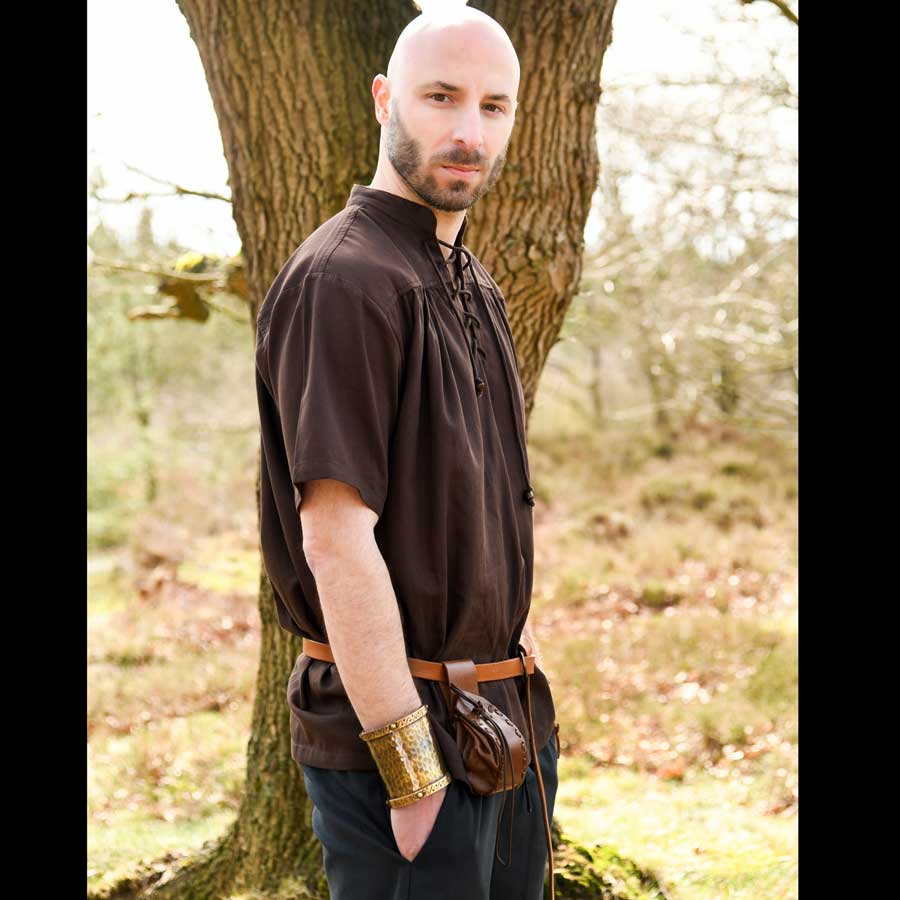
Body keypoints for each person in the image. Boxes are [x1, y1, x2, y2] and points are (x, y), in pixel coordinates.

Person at [254, 3, 560, 898]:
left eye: (494, 107)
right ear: (385, 99)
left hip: (503, 727)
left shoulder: (471, 283)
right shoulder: (344, 281)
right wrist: (413, 773)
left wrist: (525, 688)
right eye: (441, 97)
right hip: (408, 747)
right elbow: (334, 537)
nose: (470, 132)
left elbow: (480, 513)